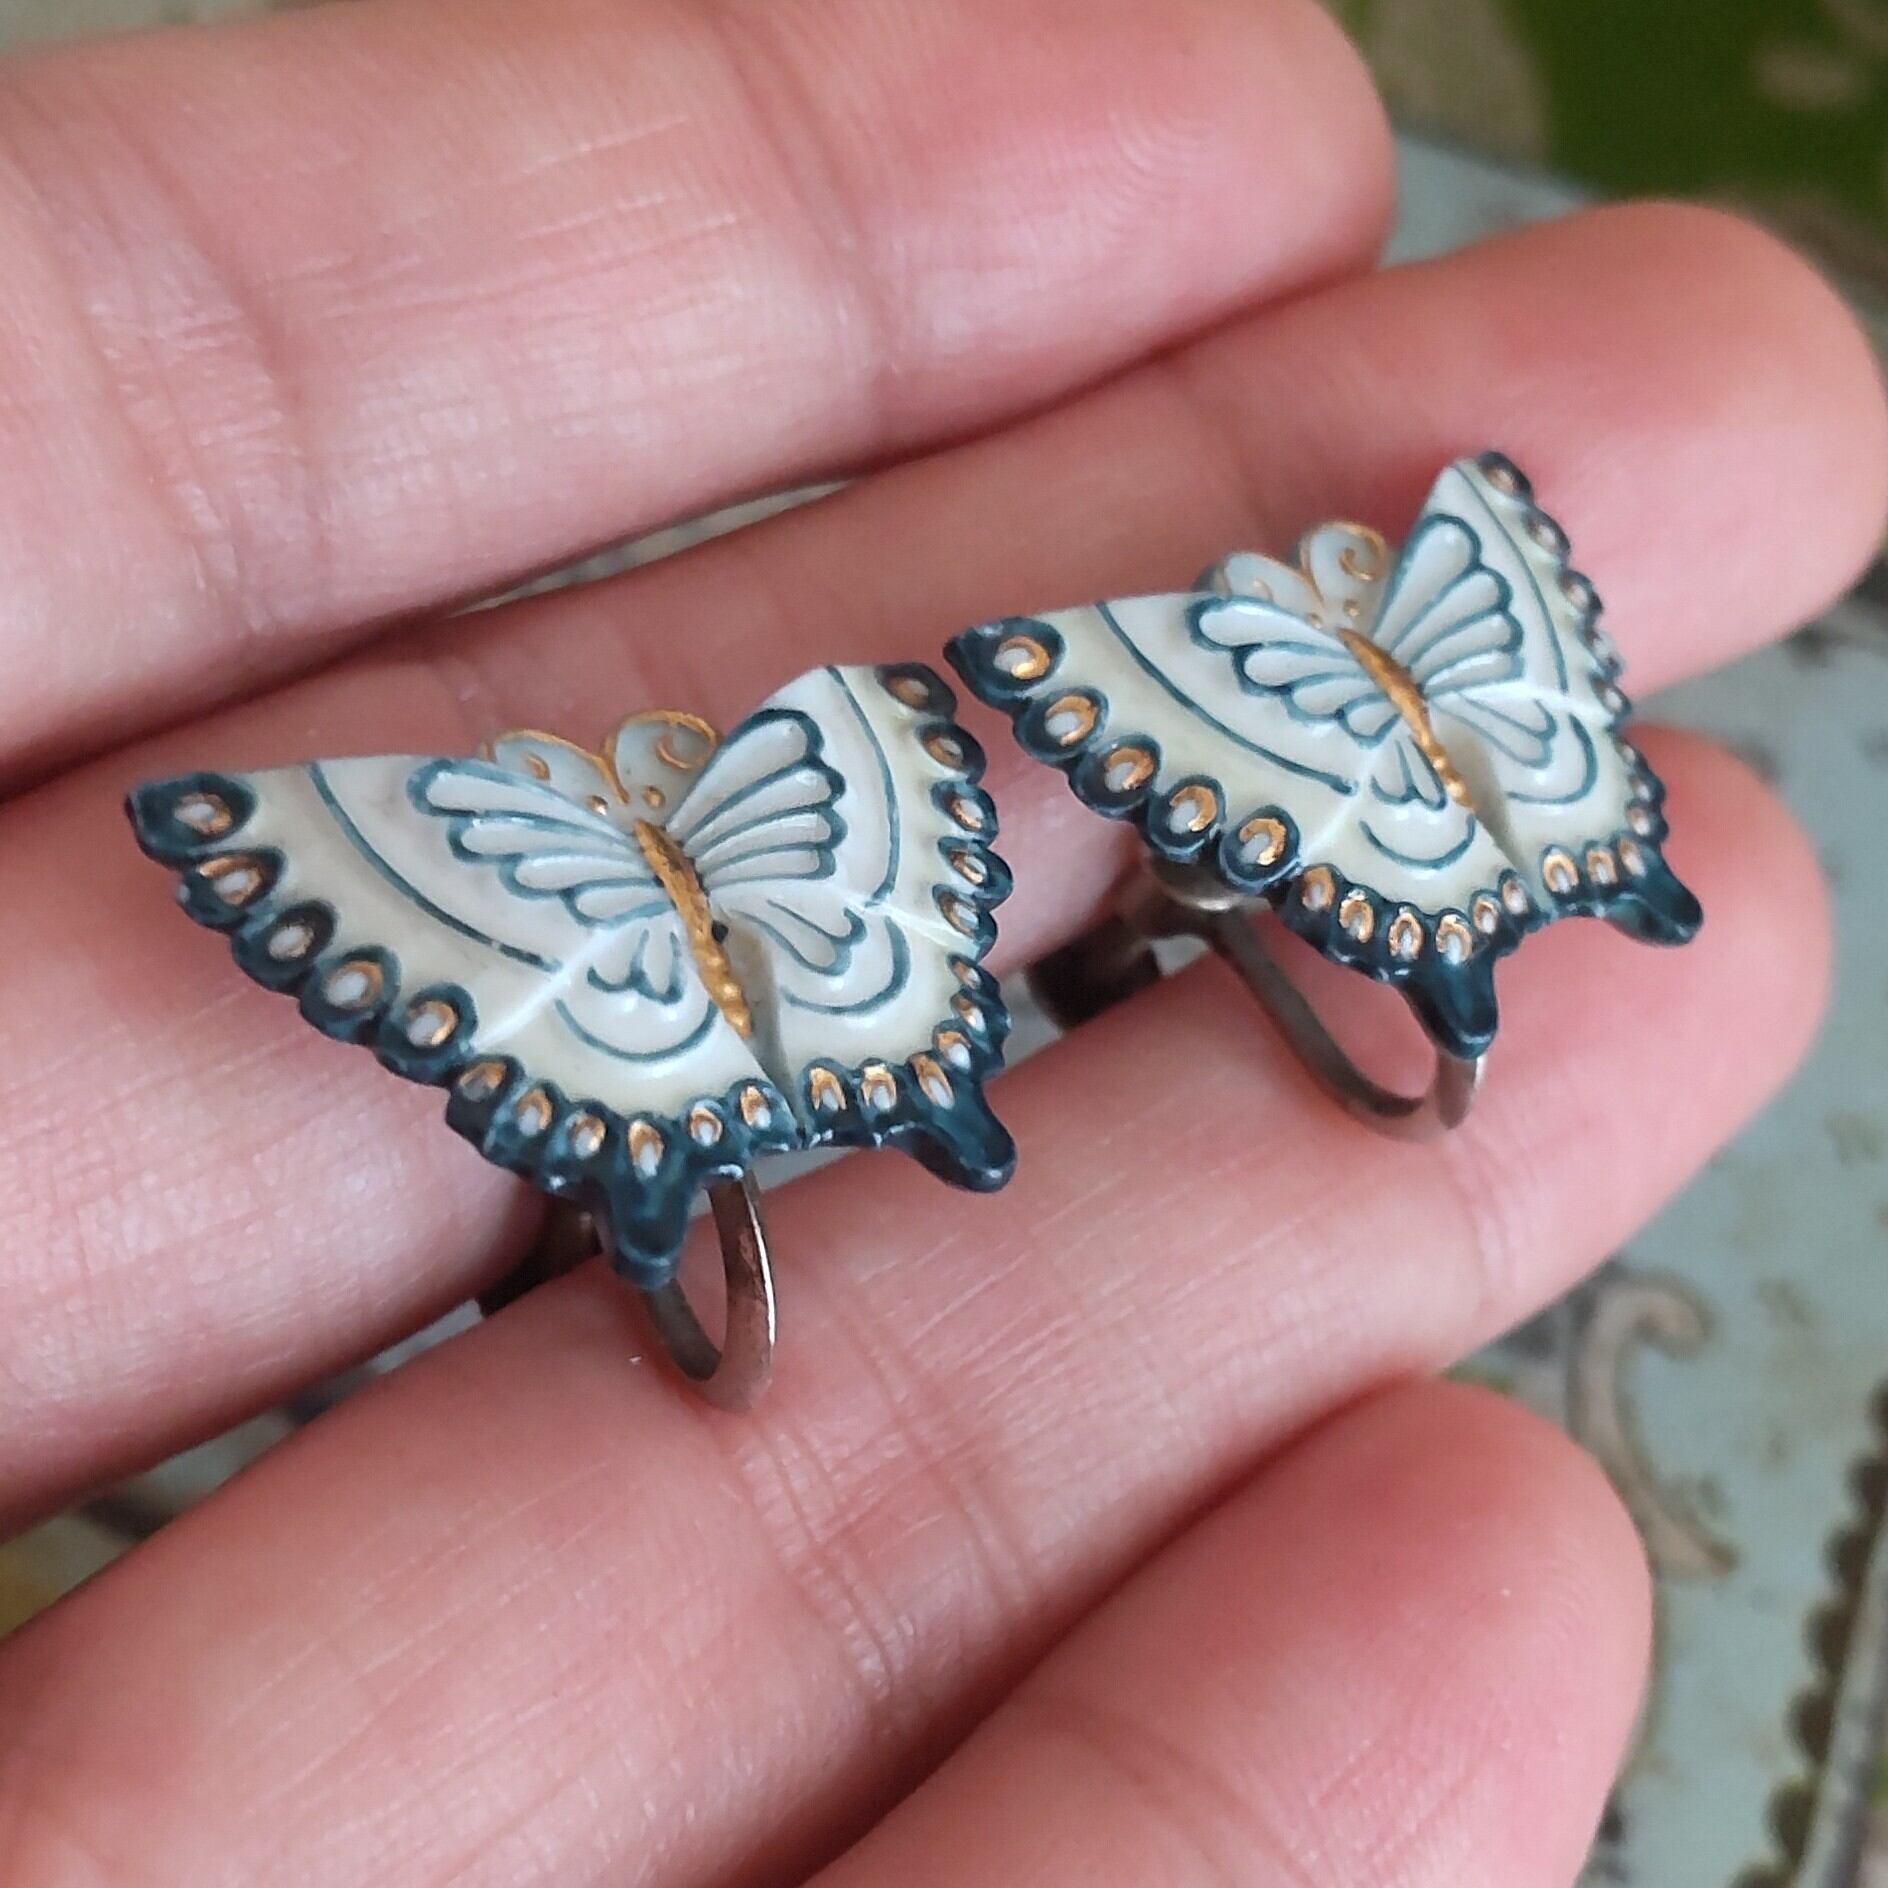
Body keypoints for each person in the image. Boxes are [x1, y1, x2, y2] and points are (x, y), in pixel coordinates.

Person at [0, 0, 1880, 1881]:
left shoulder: (1009, 698)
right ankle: (799, 1134)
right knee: (744, 1115)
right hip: (854, 984)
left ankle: (756, 1142)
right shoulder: (859, 733)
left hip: (772, 992)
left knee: (730, 1107)